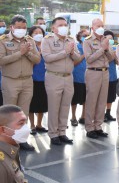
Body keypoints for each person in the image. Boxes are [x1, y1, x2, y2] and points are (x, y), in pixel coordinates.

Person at [0, 15, 40, 151]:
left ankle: (22, 140)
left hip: (27, 80)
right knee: (9, 113)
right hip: (10, 80)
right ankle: (6, 141)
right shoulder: (3, 40)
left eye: (24, 28)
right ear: (11, 27)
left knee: (24, 112)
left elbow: (37, 59)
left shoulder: (30, 40)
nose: (21, 30)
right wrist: (20, 52)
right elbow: (1, 60)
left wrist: (27, 52)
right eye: (18, 27)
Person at [41, 17, 80, 146]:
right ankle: (53, 134)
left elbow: (77, 57)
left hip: (68, 77)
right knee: (54, 106)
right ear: (53, 28)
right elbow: (47, 58)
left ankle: (62, 132)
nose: (64, 27)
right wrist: (65, 52)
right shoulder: (47, 40)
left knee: (65, 106)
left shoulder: (71, 39)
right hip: (53, 77)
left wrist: (72, 52)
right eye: (60, 25)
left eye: (65, 24)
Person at [83, 18, 114, 139]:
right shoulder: (88, 41)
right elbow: (89, 59)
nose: (101, 27)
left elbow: (111, 58)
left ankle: (98, 126)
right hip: (93, 72)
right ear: (92, 28)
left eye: (102, 25)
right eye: (98, 26)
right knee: (92, 101)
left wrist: (106, 49)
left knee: (102, 101)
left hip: (105, 72)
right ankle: (89, 127)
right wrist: (102, 49)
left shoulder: (106, 40)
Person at [0, 105, 29, 183]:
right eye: (21, 123)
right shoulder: (1, 165)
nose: (26, 128)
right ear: (3, 130)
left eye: (25, 123)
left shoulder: (11, 150)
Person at [28, 26, 48, 135]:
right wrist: (37, 55)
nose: (38, 34)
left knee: (42, 103)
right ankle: (32, 125)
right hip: (32, 79)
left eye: (40, 32)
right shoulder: (30, 46)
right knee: (32, 103)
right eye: (35, 32)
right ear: (31, 35)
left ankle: (39, 124)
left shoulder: (46, 45)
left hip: (45, 79)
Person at [71, 29, 89, 126]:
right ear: (79, 37)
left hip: (88, 77)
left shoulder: (90, 47)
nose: (86, 37)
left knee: (85, 98)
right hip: (77, 77)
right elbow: (74, 62)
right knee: (74, 99)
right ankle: (73, 117)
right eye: (84, 35)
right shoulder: (76, 47)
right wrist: (84, 55)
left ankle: (83, 116)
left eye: (87, 35)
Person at [104, 30, 118, 122]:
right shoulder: (103, 49)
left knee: (111, 96)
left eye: (112, 38)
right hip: (104, 75)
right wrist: (112, 54)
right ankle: (101, 114)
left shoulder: (114, 48)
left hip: (113, 75)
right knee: (104, 96)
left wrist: (115, 55)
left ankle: (108, 113)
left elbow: (117, 62)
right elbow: (108, 60)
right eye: (108, 38)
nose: (110, 40)